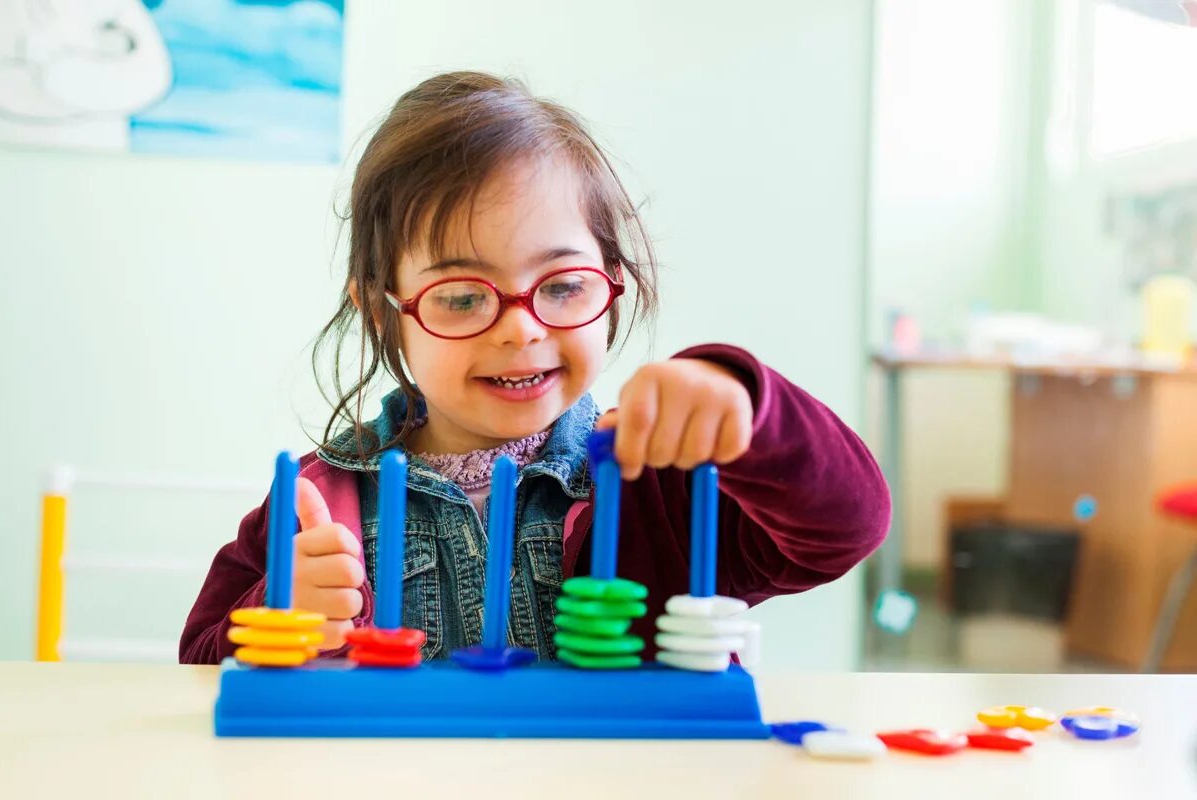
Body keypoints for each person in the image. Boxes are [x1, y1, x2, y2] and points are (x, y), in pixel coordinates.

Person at [180, 71, 890, 664]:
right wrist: (275, 619)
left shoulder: (664, 488)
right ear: (381, 311)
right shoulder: (315, 502)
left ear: (612, 282)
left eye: (562, 286)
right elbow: (200, 660)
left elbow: (845, 527)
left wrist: (747, 410)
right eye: (461, 296)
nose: (522, 329)